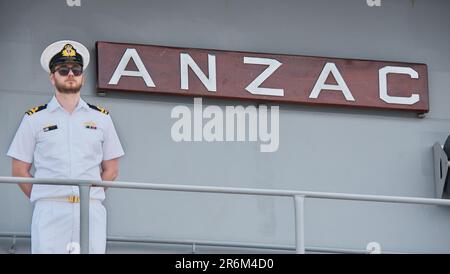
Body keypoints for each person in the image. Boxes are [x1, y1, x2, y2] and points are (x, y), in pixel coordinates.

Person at [6, 40, 125, 254]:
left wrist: (88, 194)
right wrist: (46, 195)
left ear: (82, 76)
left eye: (76, 70)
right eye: (63, 70)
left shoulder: (102, 119)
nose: (71, 74)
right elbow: (18, 170)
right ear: (52, 77)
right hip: (50, 208)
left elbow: (112, 169)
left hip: (90, 209)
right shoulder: (34, 119)